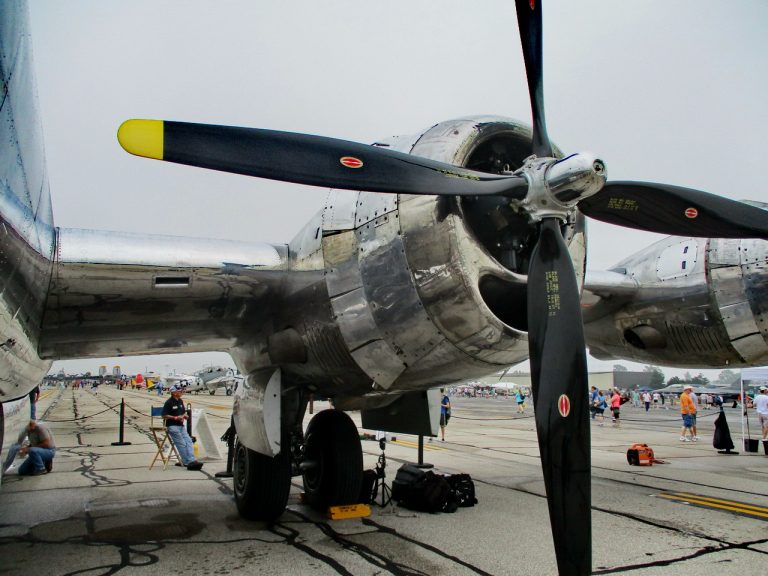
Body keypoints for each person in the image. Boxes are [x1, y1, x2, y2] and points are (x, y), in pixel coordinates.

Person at [162, 385, 204, 470]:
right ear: (174, 392)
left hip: (180, 426)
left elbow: (183, 412)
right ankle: (187, 461)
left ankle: (192, 460)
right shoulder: (169, 402)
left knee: (189, 441)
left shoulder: (180, 401)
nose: (181, 392)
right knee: (182, 444)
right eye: (179, 391)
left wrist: (185, 416)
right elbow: (164, 415)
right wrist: (175, 417)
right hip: (172, 426)